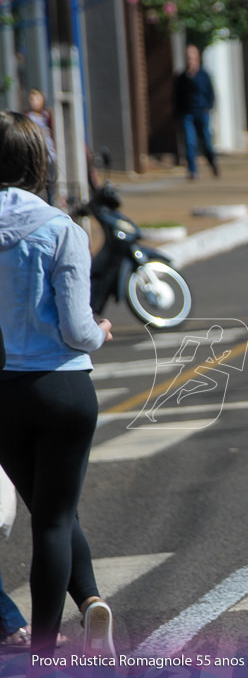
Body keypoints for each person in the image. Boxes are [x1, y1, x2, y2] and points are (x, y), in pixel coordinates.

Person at [0, 111, 116, 660]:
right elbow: (77, 329)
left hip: (5, 390)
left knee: (45, 509)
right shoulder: (61, 229)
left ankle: (89, 601)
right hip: (64, 388)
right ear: (37, 162)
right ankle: (47, 650)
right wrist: (102, 330)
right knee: (55, 518)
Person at [174, 44, 219, 180]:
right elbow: (176, 97)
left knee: (206, 141)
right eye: (187, 57)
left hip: (202, 113)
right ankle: (192, 170)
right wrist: (177, 113)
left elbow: (211, 93)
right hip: (187, 114)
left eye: (192, 57)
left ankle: (212, 162)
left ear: (197, 58)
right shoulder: (182, 78)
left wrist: (208, 107)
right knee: (190, 142)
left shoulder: (204, 76)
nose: (190, 60)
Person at [23, 89, 56, 205]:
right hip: (34, 155)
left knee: (50, 183)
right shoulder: (27, 116)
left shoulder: (47, 116)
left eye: (36, 98)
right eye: (31, 99)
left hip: (49, 154)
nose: (33, 101)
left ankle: (50, 205)